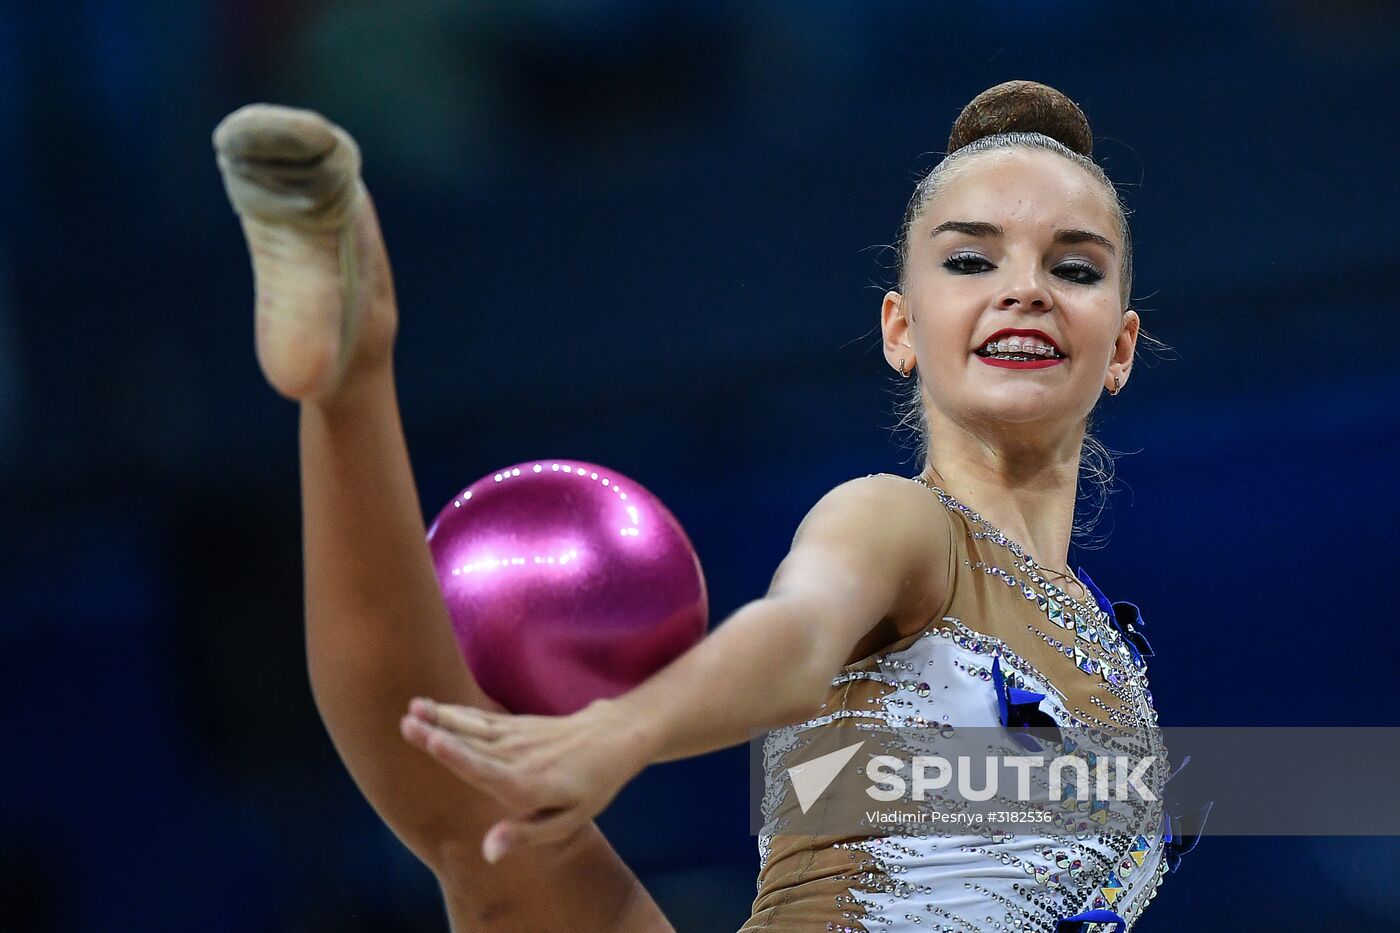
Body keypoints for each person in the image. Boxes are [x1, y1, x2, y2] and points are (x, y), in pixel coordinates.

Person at [214, 79, 1166, 932]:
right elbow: (796, 638)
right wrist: (619, 734)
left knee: (495, 845)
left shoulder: (1115, 660)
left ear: (1119, 347)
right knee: (495, 828)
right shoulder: (900, 522)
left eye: (1073, 268)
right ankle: (347, 374)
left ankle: (347, 379)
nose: (1027, 292)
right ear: (901, 329)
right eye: (971, 263)